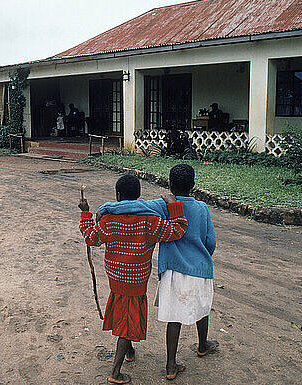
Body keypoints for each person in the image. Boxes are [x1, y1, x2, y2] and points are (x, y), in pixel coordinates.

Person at [99, 164, 218, 381]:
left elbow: (132, 206)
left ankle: (170, 365)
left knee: (174, 317)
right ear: (193, 185)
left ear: (170, 185)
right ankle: (202, 344)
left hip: (172, 268)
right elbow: (210, 242)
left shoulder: (161, 206)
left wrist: (105, 208)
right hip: (199, 268)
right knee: (202, 307)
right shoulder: (202, 208)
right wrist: (203, 257)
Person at [79, 174, 188, 384]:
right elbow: (177, 230)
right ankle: (115, 372)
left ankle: (129, 352)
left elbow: (91, 238)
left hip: (116, 277)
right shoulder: (150, 220)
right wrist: (174, 206)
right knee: (128, 322)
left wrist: (85, 214)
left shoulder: (109, 219)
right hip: (137, 280)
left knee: (124, 313)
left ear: (118, 196)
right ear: (139, 196)